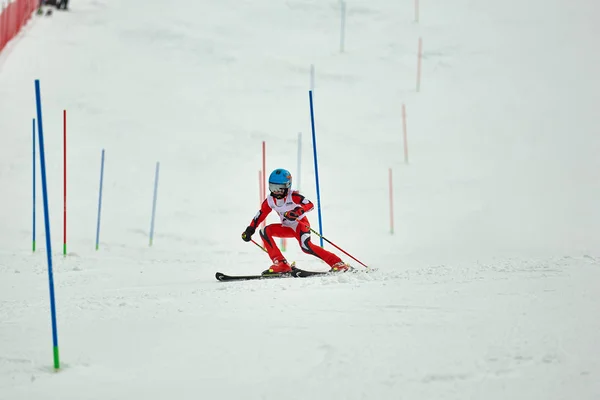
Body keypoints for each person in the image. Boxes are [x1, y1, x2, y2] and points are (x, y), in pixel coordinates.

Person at [241, 168, 349, 275]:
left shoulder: (293, 196)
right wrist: (250, 230)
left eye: (280, 188)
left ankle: (337, 263)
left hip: (300, 225)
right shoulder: (270, 201)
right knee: (264, 231)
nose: (276, 191)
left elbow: (310, 205)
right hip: (287, 227)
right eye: (273, 187)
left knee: (306, 247)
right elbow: (259, 215)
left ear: (288, 186)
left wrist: (297, 211)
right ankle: (281, 263)